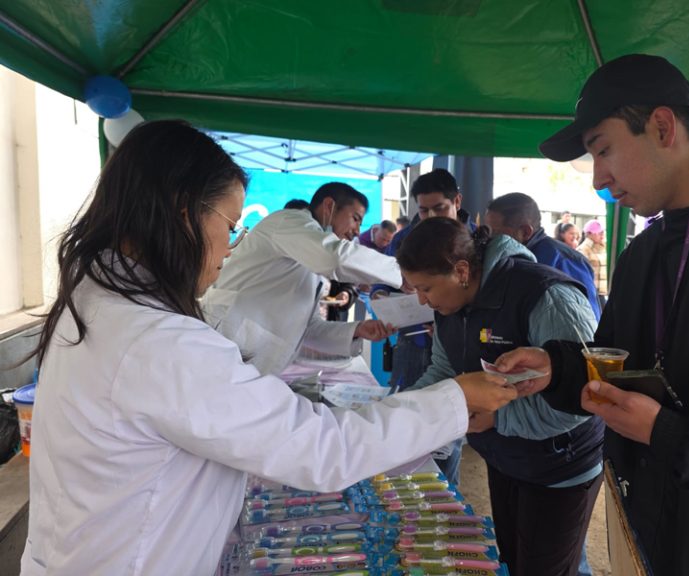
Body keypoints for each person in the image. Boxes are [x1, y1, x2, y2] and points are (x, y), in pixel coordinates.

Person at [19, 120, 518, 576]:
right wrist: (456, 397)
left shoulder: (97, 300)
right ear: (184, 213)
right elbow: (323, 448)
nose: (230, 246)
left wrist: (353, 334)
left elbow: (296, 330)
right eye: (229, 225)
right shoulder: (159, 339)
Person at [496, 53, 689, 576]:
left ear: (663, 127)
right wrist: (561, 368)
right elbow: (620, 361)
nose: (599, 179)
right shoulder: (644, 251)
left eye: (604, 149)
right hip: (647, 535)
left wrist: (671, 437)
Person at [397, 217, 603, 576]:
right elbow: (444, 371)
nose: (421, 300)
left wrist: (497, 417)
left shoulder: (544, 295)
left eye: (426, 288)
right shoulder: (450, 307)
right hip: (505, 455)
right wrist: (399, 411)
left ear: (462, 271)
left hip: (560, 465)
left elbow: (583, 398)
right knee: (511, 561)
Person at [202, 182, 401, 375]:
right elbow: (335, 258)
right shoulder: (288, 221)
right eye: (355, 219)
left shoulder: (310, 257)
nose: (357, 230)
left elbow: (309, 328)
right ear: (329, 206)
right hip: (226, 343)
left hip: (256, 362)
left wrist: (357, 329)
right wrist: (401, 272)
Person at [371, 168, 474, 486]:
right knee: (409, 421)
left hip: (454, 349)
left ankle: (444, 495)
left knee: (446, 433)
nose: (429, 217)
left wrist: (450, 325)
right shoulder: (404, 239)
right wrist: (380, 293)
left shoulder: (473, 242)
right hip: (411, 344)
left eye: (439, 209)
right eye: (423, 211)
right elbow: (381, 279)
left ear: (457, 202)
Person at [486, 193, 601, 320]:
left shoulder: (565, 261)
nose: (488, 239)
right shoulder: (506, 257)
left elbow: (586, 320)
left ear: (525, 232)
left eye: (495, 233)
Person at [577, 219, 608, 307]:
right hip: (590, 294)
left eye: (603, 231)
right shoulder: (582, 250)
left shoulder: (604, 247)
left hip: (602, 293)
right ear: (589, 234)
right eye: (599, 232)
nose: (602, 234)